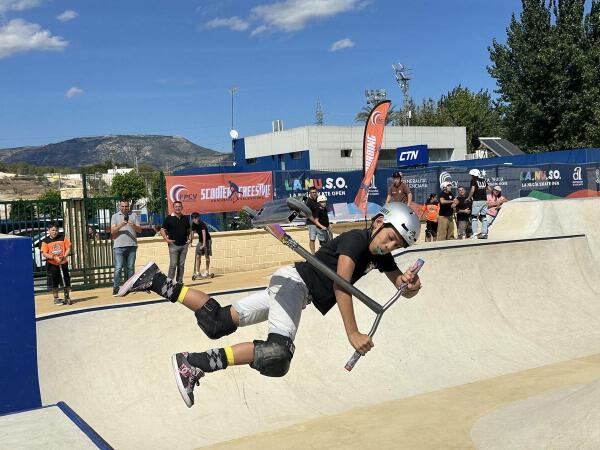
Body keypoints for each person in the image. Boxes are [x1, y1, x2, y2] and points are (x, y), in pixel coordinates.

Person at [116, 203, 422, 408]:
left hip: (291, 287)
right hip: (294, 284)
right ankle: (194, 363)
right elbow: (341, 284)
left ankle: (156, 280)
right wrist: (352, 333)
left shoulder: (380, 256)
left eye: (398, 245)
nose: (390, 246)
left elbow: (401, 287)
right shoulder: (355, 240)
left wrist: (410, 284)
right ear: (379, 222)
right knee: (277, 354)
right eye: (391, 238)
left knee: (217, 321)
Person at [111, 199, 142, 296]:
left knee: (130, 268)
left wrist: (133, 225)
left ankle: (130, 287)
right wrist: (121, 224)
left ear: (129, 206)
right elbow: (112, 231)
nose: (124, 208)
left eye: (126, 206)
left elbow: (140, 230)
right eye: (122, 206)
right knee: (118, 268)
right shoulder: (115, 216)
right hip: (119, 246)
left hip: (132, 245)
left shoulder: (134, 215)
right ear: (119, 206)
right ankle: (116, 288)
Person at [40, 222, 72, 305]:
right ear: (49, 230)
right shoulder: (45, 241)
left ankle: (67, 296)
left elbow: (68, 248)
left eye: (56, 230)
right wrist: (53, 257)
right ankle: (56, 298)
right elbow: (44, 253)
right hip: (52, 264)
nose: (55, 232)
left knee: (66, 280)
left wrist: (64, 256)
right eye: (53, 230)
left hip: (63, 262)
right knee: (54, 282)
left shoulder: (63, 238)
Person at [160, 201, 191, 282]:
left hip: (184, 245)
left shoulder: (185, 218)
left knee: (181, 265)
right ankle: (169, 283)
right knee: (173, 265)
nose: (178, 208)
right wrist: (167, 240)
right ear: (173, 208)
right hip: (173, 245)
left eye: (179, 206)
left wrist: (190, 240)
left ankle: (179, 282)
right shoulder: (169, 218)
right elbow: (162, 230)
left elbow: (189, 230)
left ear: (182, 207)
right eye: (176, 206)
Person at [466, 169, 489, 238]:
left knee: (474, 217)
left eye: (472, 175)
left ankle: (474, 233)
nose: (471, 177)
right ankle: (484, 233)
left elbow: (472, 190)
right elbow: (489, 189)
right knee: (484, 216)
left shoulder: (473, 180)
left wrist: (469, 197)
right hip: (484, 200)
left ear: (474, 175)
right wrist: (482, 190)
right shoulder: (483, 180)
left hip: (477, 200)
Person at [304, 186, 327, 254]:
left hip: (320, 223)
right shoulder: (308, 201)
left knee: (322, 240)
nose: (314, 193)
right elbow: (308, 215)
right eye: (312, 192)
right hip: (311, 223)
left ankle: (323, 254)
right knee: (312, 239)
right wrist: (316, 222)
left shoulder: (319, 199)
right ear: (309, 193)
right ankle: (313, 255)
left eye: (315, 192)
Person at [190, 212, 212, 279]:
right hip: (200, 241)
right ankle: (198, 272)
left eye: (196, 218)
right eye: (193, 219)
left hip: (207, 240)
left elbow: (204, 234)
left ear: (198, 218)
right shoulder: (193, 224)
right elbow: (192, 233)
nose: (195, 220)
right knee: (198, 256)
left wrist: (204, 244)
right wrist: (190, 242)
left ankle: (207, 271)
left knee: (207, 257)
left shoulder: (202, 224)